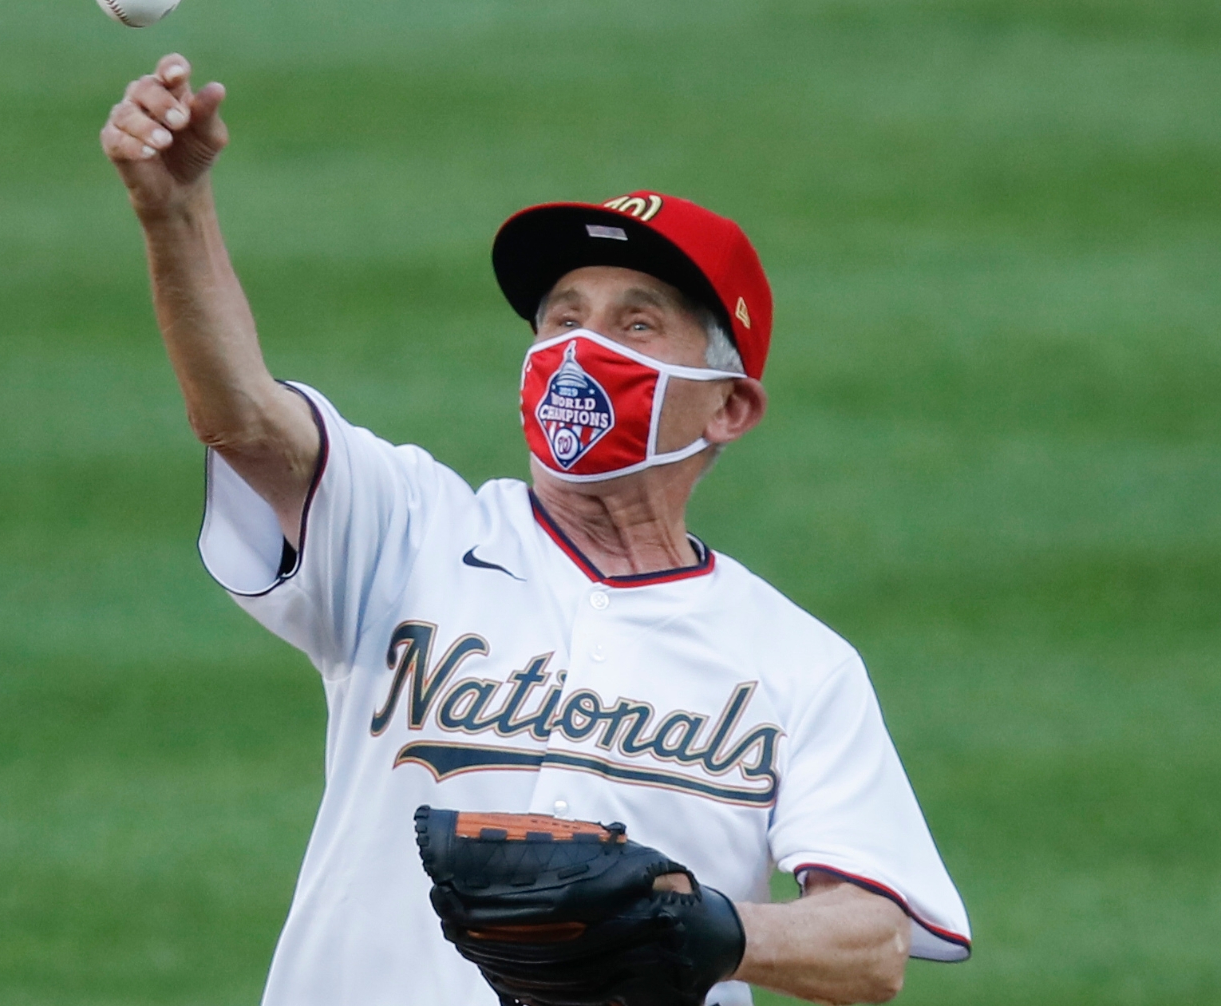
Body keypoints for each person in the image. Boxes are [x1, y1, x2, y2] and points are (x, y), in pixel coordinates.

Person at [101, 54, 970, 1006]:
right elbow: (244, 418)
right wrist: (174, 213)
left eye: (636, 325)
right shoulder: (407, 529)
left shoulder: (799, 665)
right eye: (562, 317)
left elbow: (871, 946)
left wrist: (705, 927)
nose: (579, 352)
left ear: (728, 408)